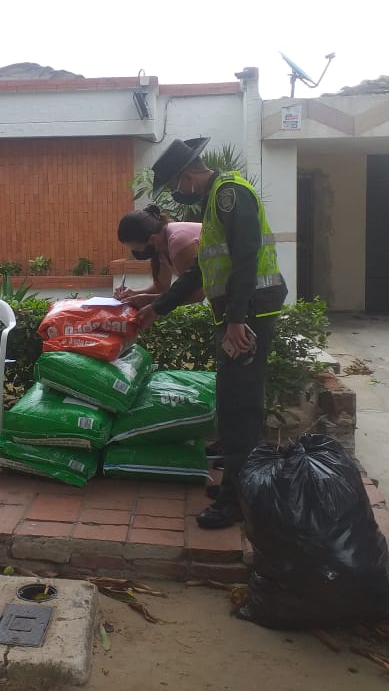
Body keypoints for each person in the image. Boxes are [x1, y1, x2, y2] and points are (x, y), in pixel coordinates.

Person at [136, 137, 287, 529]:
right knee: (233, 398)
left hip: (250, 310)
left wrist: (237, 319)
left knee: (240, 404)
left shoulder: (229, 195)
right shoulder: (215, 199)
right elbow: (201, 271)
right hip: (240, 311)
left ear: (187, 176)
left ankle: (237, 500)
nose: (173, 194)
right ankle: (236, 486)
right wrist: (158, 307)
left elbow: (247, 257)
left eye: (173, 186)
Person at [114, 204, 204, 308]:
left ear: (152, 239)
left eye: (137, 249)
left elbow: (198, 293)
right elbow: (161, 287)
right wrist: (133, 294)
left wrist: (150, 301)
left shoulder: (178, 242)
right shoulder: (161, 248)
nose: (135, 253)